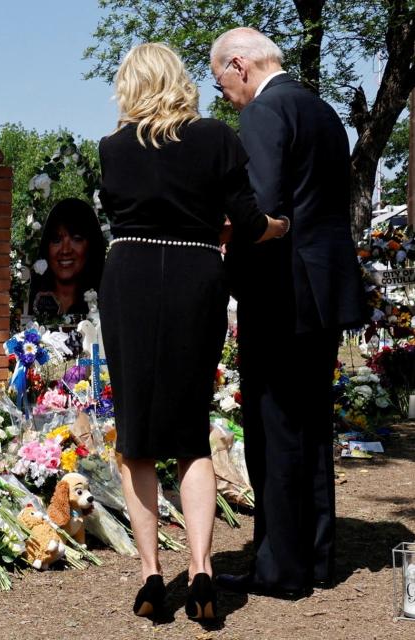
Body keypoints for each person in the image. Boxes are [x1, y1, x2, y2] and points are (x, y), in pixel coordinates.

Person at [98, 42, 288, 621]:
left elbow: (124, 209)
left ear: (130, 85)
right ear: (179, 80)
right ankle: (202, 570)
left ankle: (153, 577)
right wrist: (279, 228)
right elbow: (249, 221)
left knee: (136, 439)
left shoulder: (112, 147)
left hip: (127, 279)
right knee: (190, 431)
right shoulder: (215, 138)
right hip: (194, 275)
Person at [210, 28, 366, 598]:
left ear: (239, 65)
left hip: (280, 291)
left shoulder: (263, 113)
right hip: (323, 291)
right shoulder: (323, 112)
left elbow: (263, 210)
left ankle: (281, 568)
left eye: (220, 80)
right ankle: (319, 558)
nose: (223, 94)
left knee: (274, 428)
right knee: (312, 426)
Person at [28, 198, 106, 318]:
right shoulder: (32, 301)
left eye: (76, 239)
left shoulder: (108, 302)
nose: (65, 250)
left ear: (91, 245)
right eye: (56, 240)